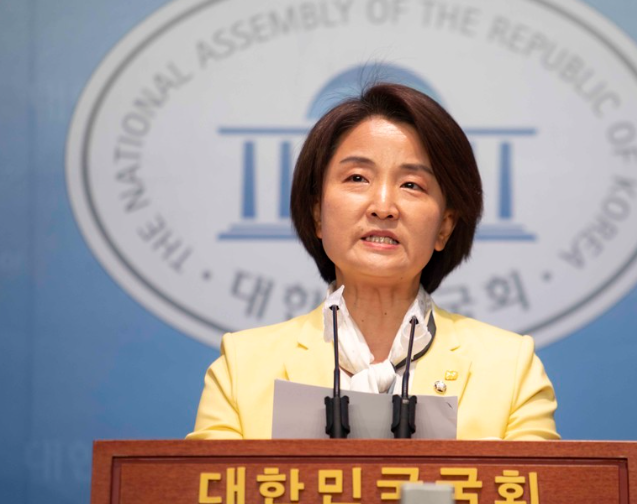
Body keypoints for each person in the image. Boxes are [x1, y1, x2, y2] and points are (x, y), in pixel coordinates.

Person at [187, 83, 559, 441]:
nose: (383, 206)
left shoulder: (510, 368)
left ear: (445, 227)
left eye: (411, 185)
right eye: (357, 178)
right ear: (317, 215)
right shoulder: (242, 367)